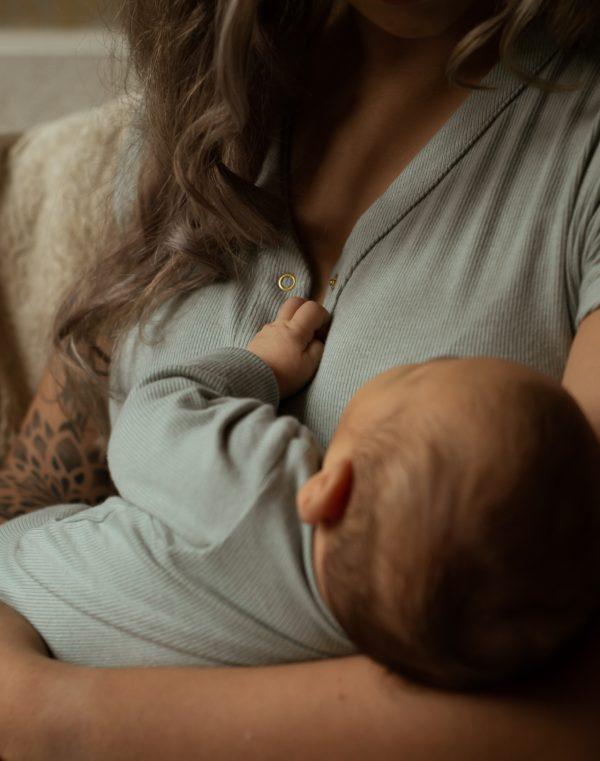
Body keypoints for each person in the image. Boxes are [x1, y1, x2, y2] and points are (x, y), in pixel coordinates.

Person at [1, 0, 600, 758]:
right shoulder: (208, 102)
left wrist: (52, 719)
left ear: (325, 488)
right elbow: (38, 491)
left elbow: (578, 694)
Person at [1, 295, 599, 694]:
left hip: (18, 581)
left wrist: (261, 366)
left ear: (329, 490)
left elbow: (147, 426)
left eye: (421, 374)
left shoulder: (260, 487)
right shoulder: (370, 642)